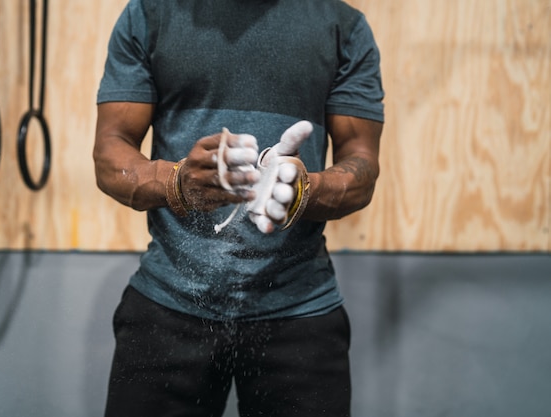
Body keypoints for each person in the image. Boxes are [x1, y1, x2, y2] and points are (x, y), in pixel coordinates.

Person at [93, 0, 384, 416]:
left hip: (299, 312)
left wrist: (302, 190)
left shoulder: (343, 27)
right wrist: (176, 181)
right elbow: (109, 152)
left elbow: (363, 164)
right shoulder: (150, 14)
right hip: (168, 305)